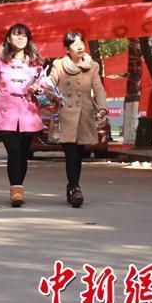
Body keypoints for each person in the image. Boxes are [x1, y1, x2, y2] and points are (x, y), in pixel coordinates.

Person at [0, 23, 44, 207]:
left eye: (24, 35)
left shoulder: (36, 63)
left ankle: (19, 187)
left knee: (23, 154)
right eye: (16, 34)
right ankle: (16, 189)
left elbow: (45, 89)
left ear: (28, 40)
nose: (20, 38)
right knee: (13, 151)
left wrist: (40, 89)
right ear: (8, 38)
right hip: (6, 114)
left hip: (28, 113)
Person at [48, 31, 108, 208]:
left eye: (81, 42)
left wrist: (103, 107)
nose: (80, 46)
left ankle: (72, 186)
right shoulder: (58, 65)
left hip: (84, 115)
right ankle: (75, 188)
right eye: (75, 44)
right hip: (66, 114)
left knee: (79, 153)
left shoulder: (92, 66)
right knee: (71, 152)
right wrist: (52, 93)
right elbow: (51, 83)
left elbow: (98, 88)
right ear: (67, 49)